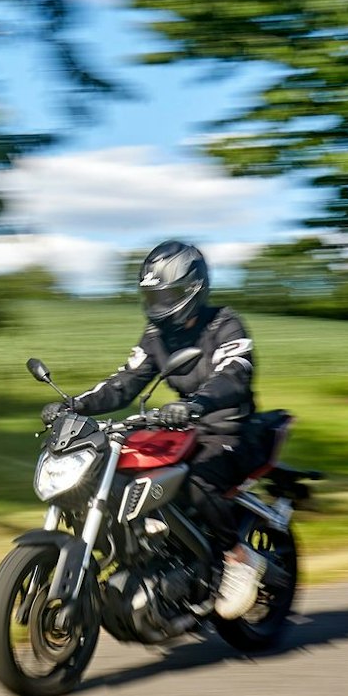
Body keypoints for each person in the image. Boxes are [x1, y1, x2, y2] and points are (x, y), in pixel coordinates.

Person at [44, 240, 268, 620]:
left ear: (193, 290)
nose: (159, 304)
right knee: (124, 471)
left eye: (167, 295)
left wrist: (196, 404)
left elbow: (234, 374)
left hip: (230, 430)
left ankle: (238, 558)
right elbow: (125, 382)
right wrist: (74, 405)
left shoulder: (225, 324)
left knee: (195, 480)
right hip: (184, 428)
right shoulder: (156, 336)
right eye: (153, 296)